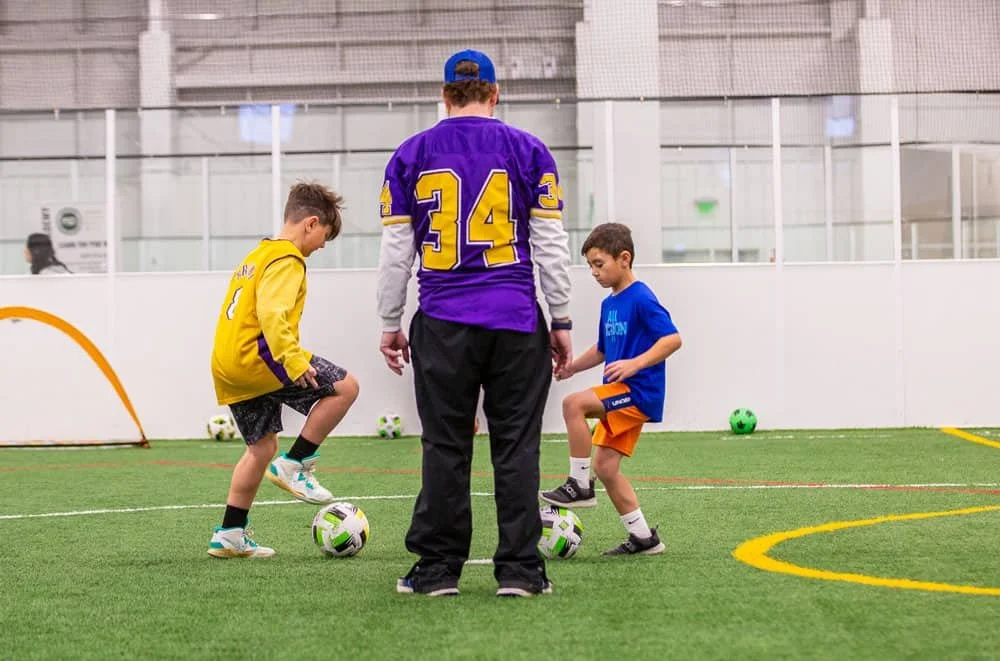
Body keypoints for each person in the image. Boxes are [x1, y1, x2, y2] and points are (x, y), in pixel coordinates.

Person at [376, 49, 573, 597]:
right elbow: (551, 247)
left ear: (444, 94)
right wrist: (560, 318)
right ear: (495, 92)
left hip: (442, 320)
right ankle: (520, 570)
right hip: (514, 318)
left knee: (445, 445)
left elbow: (396, 253)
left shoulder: (410, 155)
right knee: (516, 446)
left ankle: (438, 570)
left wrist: (391, 321)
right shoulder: (529, 150)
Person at [207, 182, 360, 559]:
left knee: (261, 448)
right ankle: (296, 465)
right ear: (310, 223)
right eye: (325, 235)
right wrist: (293, 360)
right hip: (262, 358)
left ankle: (229, 534)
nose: (322, 245)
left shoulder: (257, 255)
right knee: (346, 388)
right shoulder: (288, 259)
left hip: (229, 364)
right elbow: (272, 313)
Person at [540, 222, 682, 556]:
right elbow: (603, 350)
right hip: (621, 393)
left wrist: (635, 364)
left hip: (637, 391)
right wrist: (572, 366)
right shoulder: (610, 304)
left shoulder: (642, 297)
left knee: (573, 405)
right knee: (605, 467)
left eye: (599, 264)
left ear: (624, 258)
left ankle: (578, 483)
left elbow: (672, 339)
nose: (593, 272)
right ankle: (645, 538)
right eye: (590, 266)